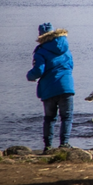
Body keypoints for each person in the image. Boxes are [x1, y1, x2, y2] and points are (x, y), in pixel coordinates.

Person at [26, 23, 75, 153]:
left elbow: (38, 71)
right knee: (67, 117)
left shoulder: (41, 51)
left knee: (49, 118)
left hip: (49, 89)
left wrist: (30, 76)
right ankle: (64, 144)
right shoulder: (66, 49)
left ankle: (48, 146)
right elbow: (70, 66)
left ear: (41, 36)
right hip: (66, 87)